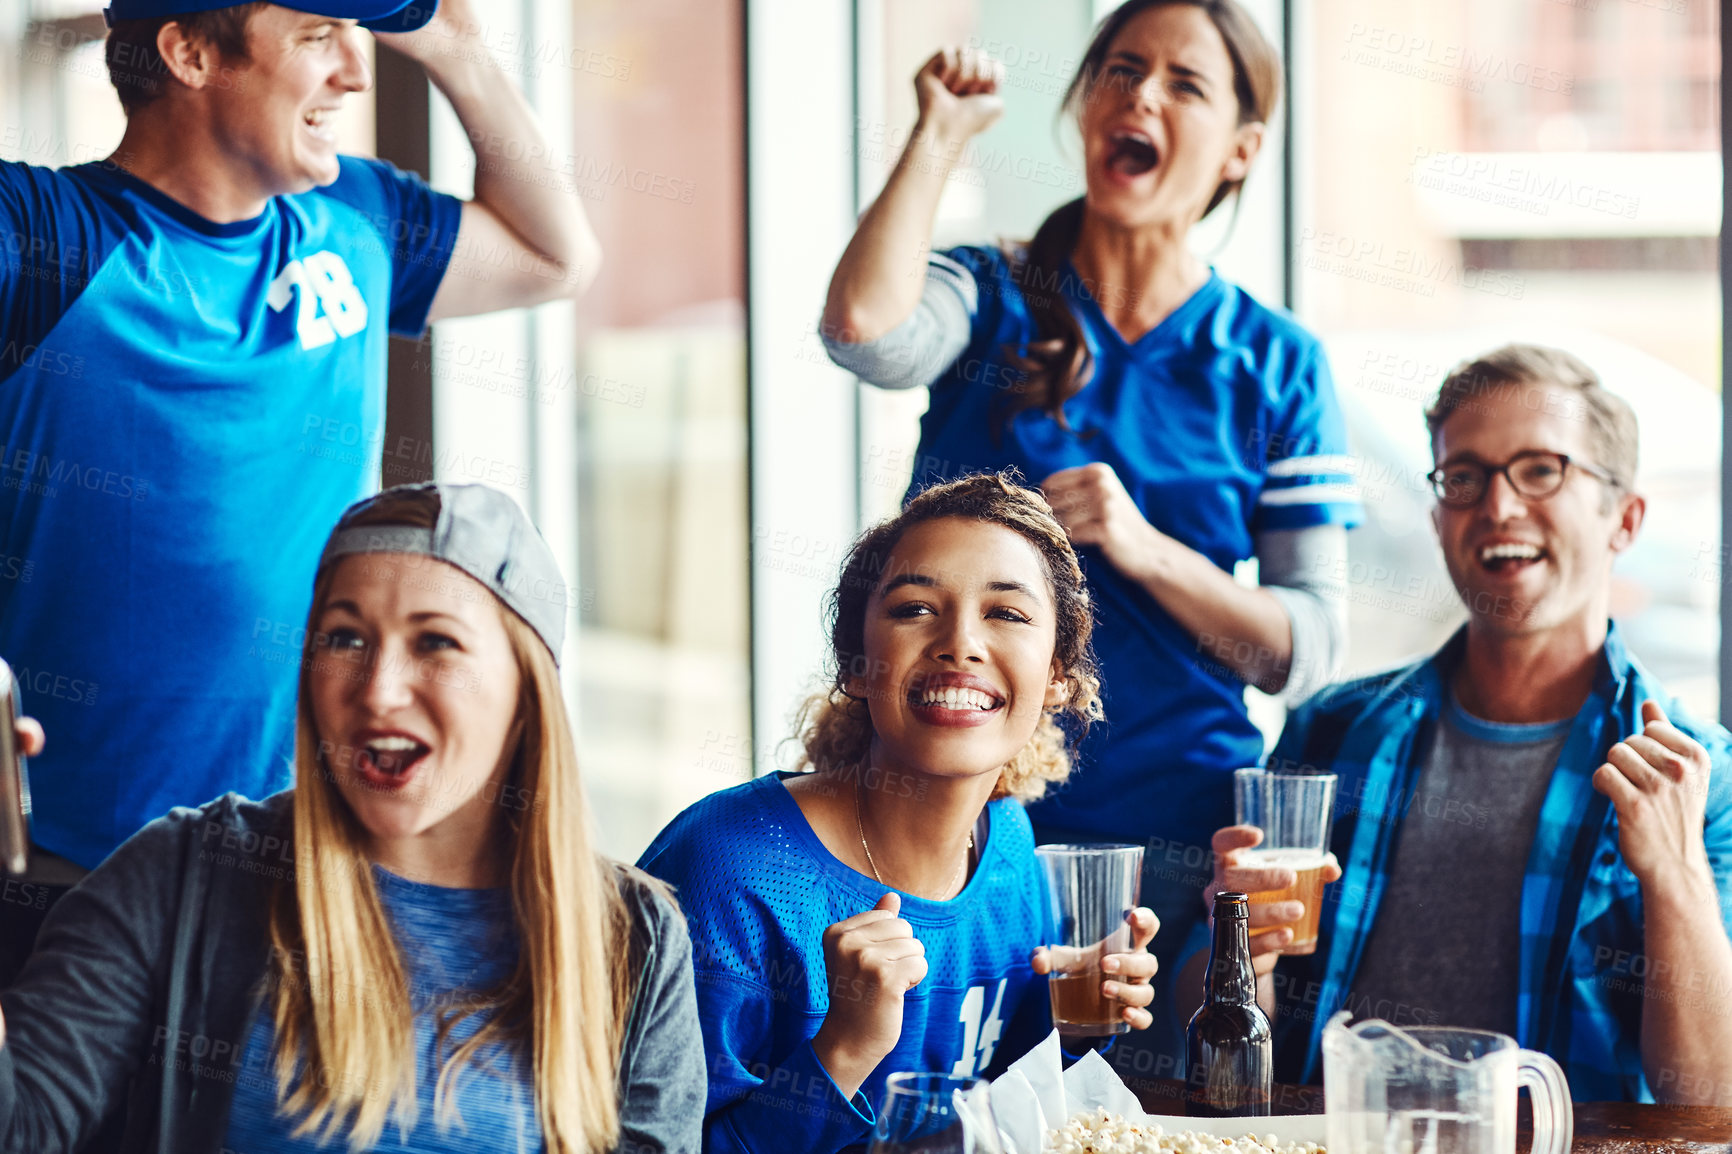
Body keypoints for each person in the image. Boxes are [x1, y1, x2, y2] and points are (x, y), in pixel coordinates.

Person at [0, 0, 603, 976]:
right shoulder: (41, 236)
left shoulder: (353, 220)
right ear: (188, 50)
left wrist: (452, 45)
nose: (355, 76)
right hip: (74, 877)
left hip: (316, 858)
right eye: (319, 37)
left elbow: (554, 255)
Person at [820, 0, 1361, 1067]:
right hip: (953, 826)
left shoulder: (1275, 361)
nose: (1139, 96)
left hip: (1173, 839)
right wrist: (936, 136)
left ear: (1244, 147)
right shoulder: (993, 292)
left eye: (1183, 83)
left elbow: (1304, 645)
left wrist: (1143, 544)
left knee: (1130, 1119)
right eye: (1120, 69)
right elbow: (863, 332)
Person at [0, 482, 704, 1153]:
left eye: (435, 642)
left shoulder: (632, 937)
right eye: (344, 637)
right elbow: (17, 1124)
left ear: (527, 692)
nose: (378, 690)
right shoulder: (186, 872)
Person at [1200, 344, 1732, 1104]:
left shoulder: (1697, 776)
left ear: (1625, 517)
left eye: (1541, 469)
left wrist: (1673, 876)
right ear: (1439, 516)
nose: (1499, 506)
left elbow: (1712, 1101)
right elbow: (1216, 1039)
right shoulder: (1329, 733)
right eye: (1464, 476)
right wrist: (1240, 953)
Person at [639, 474, 1160, 1153]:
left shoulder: (1008, 847)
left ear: (1059, 675)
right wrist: (843, 1050)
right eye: (915, 608)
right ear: (856, 665)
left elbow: (1008, 1119)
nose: (960, 644)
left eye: (1006, 613)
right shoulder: (725, 870)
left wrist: (1080, 1023)